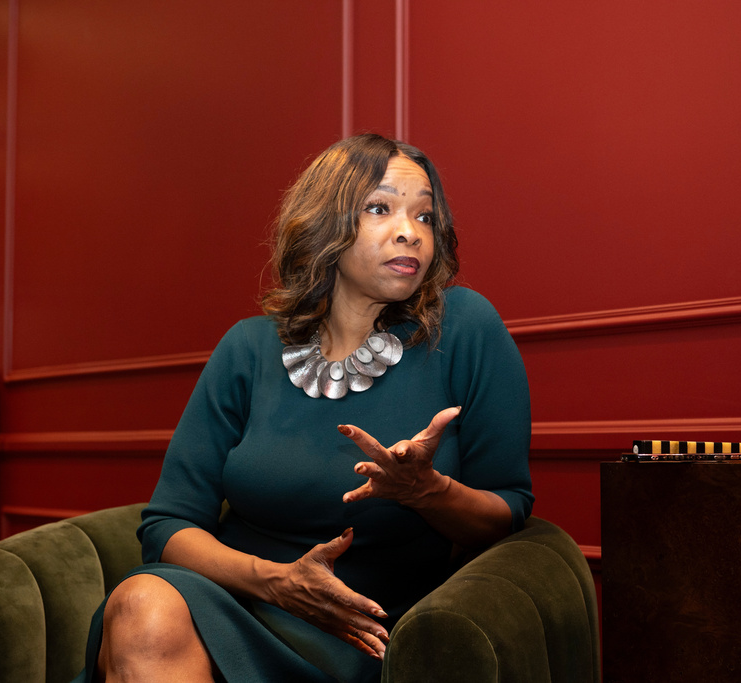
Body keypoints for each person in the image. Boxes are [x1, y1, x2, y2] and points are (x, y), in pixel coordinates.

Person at [80, 133, 533, 682]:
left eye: (425, 217)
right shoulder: (248, 348)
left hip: (359, 631)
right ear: (327, 224)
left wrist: (426, 491)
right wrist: (276, 581)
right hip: (236, 599)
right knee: (141, 606)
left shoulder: (463, 328)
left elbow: (507, 512)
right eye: (379, 208)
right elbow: (168, 524)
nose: (409, 232)